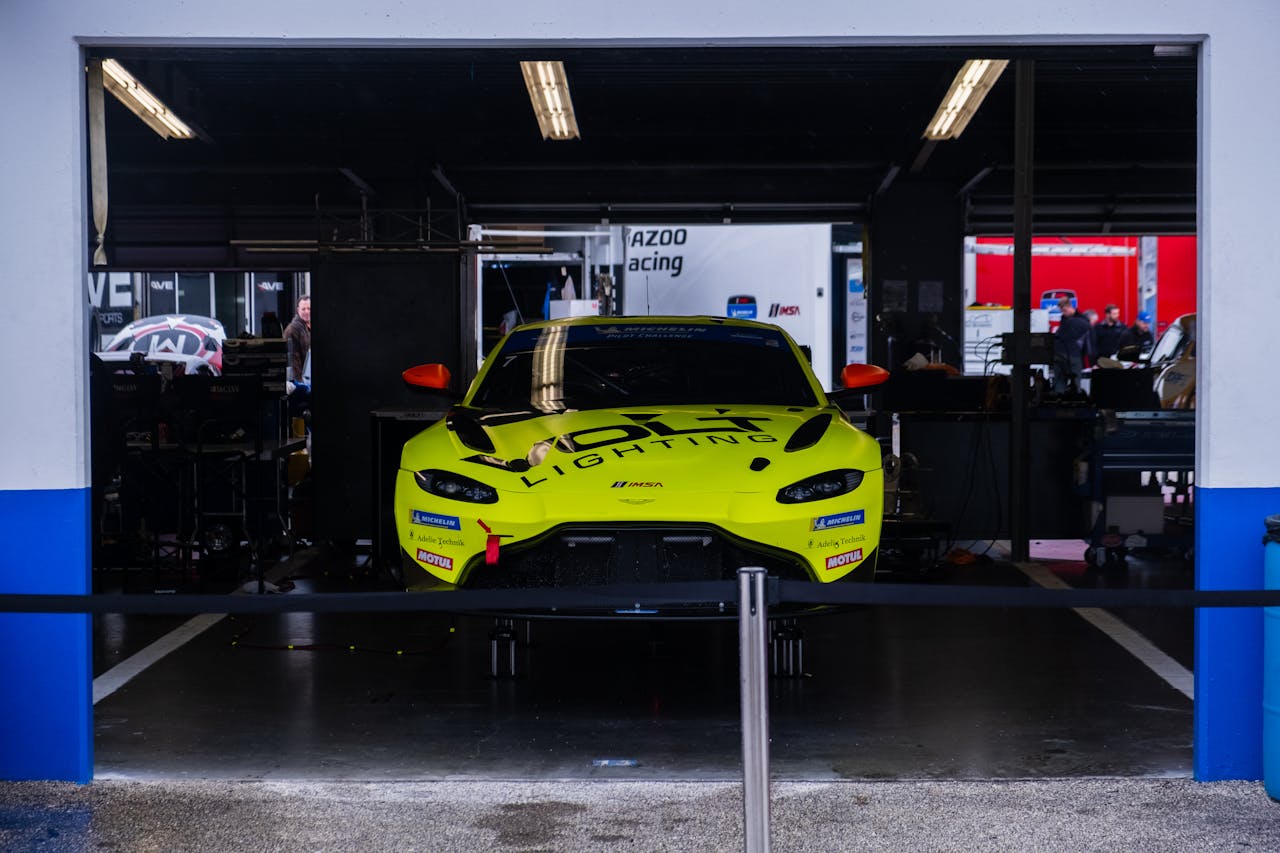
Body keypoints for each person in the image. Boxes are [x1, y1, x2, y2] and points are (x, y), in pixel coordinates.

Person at [1052, 297, 1093, 393]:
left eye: (1064, 310)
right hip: (1070, 355)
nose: (1063, 313)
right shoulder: (1081, 321)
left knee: (1066, 383)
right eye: (1062, 311)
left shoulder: (1079, 321)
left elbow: (1089, 342)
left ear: (1069, 307)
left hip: (1072, 355)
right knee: (1071, 383)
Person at [285, 295, 311, 394]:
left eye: (309, 308)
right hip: (298, 383)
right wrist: (301, 386)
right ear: (298, 310)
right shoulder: (293, 330)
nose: (307, 312)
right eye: (303, 309)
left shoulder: (308, 327)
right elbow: (293, 361)